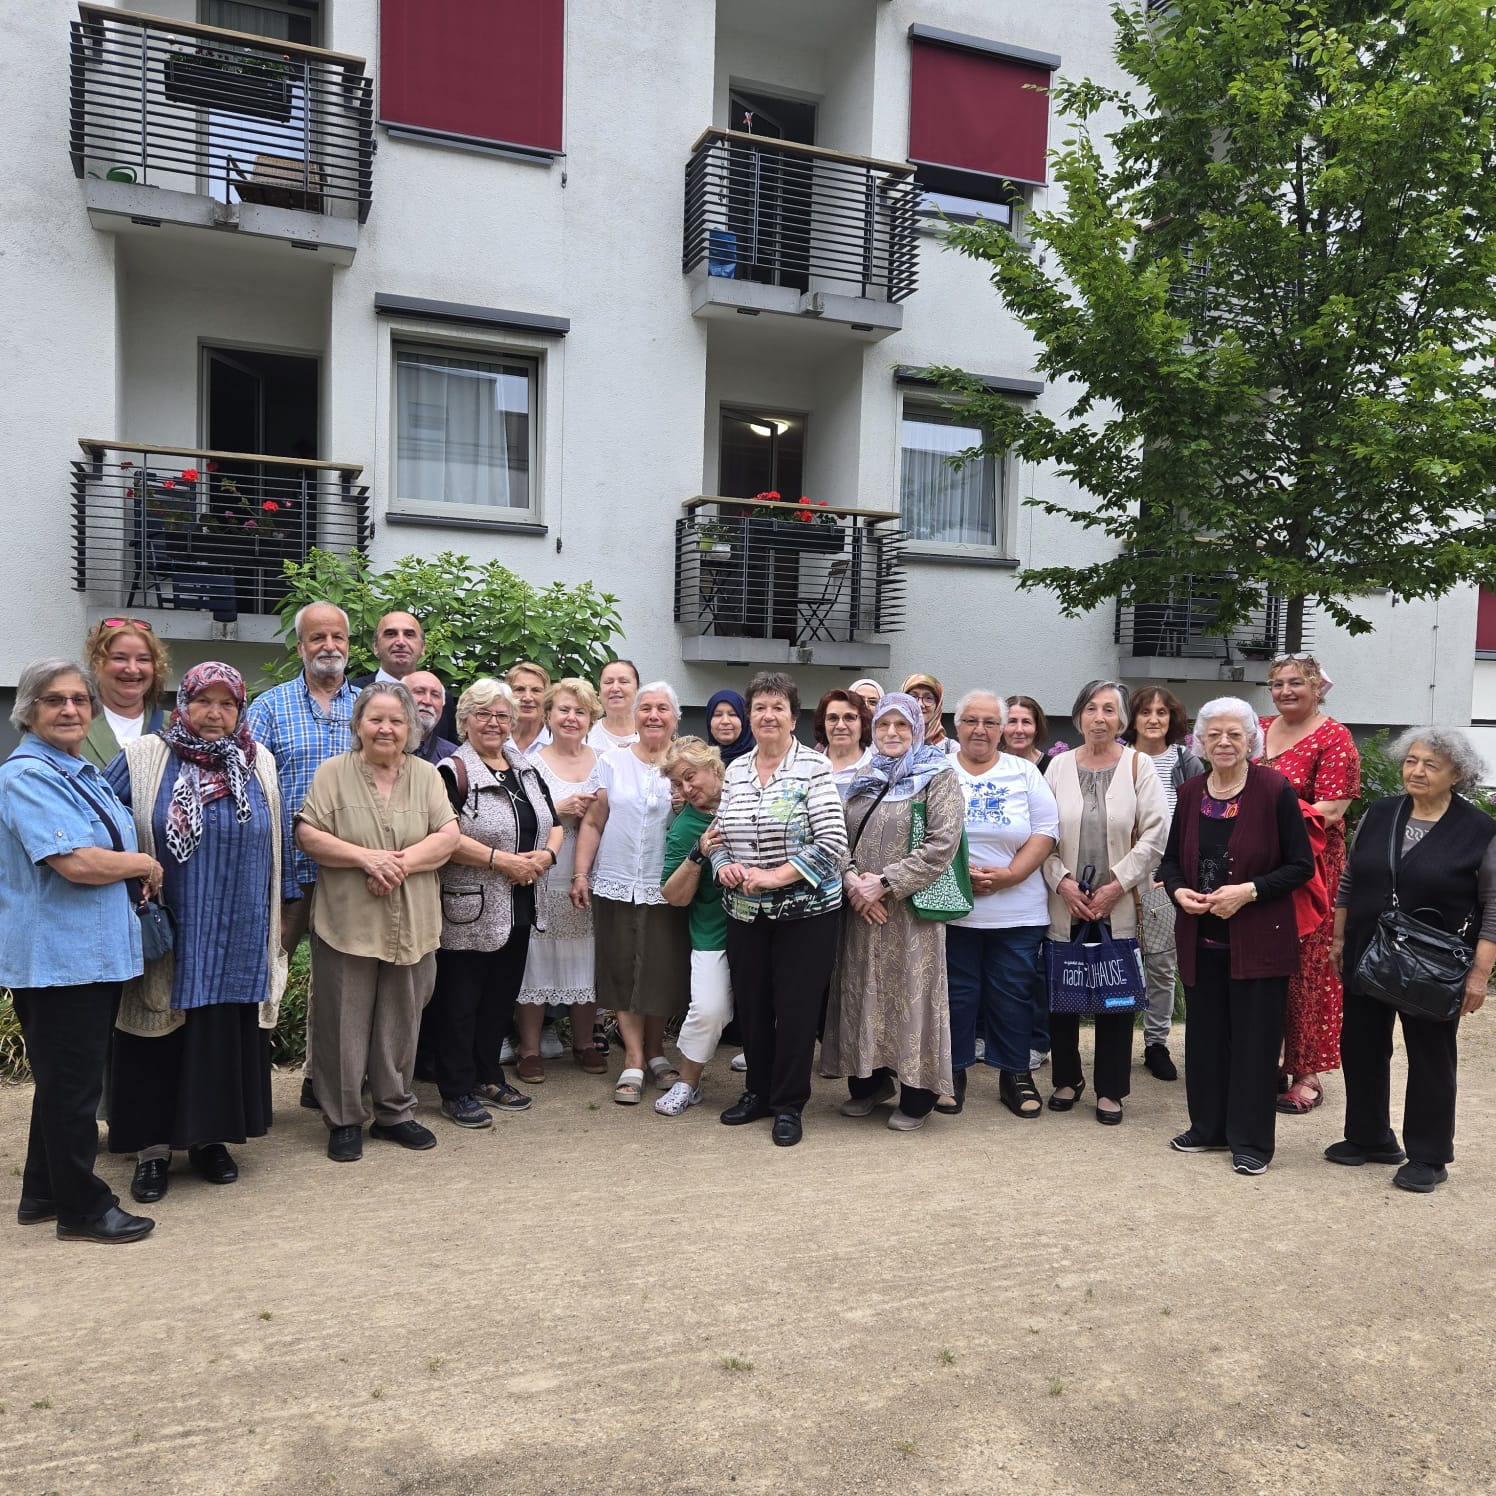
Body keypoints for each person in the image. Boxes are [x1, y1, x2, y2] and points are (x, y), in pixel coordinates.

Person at [103, 663, 295, 1201]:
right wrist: (131, 872)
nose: (215, 714)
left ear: (240, 710)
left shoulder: (260, 763)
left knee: (220, 1035)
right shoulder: (144, 757)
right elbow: (103, 817)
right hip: (173, 925)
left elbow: (275, 841)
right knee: (156, 1030)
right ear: (182, 703)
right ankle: (152, 1152)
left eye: (227, 704)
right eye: (203, 702)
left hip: (236, 929)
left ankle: (211, 1140)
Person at [0, 658, 160, 1243]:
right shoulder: (28, 777)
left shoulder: (74, 769)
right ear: (28, 711)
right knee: (73, 1090)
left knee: (64, 1081)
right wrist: (143, 864)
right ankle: (83, 1209)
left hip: (87, 955)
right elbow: (75, 862)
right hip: (59, 960)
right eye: (53, 700)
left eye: (78, 700)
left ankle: (42, 1193)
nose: (69, 709)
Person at [293, 682, 459, 1162]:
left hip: (413, 920)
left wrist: (398, 865)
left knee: (401, 1020)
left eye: (396, 721)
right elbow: (308, 833)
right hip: (348, 921)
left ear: (411, 729)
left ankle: (394, 1113)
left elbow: (447, 835)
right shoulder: (332, 773)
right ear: (358, 725)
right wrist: (368, 859)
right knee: (342, 1021)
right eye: (376, 719)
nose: (386, 728)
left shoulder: (427, 775)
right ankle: (344, 1117)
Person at [1328, 728, 1496, 1193]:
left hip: (1433, 965)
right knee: (1361, 1045)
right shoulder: (1381, 813)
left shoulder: (1480, 830)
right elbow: (1349, 879)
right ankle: (1369, 1137)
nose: (1416, 771)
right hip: (1366, 948)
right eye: (1411, 761)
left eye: (1430, 765)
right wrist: (1338, 939)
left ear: (1457, 775)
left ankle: (1429, 1155)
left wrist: (1479, 975)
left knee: (1431, 1057)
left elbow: (1494, 907)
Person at [1159, 699, 1314, 1175]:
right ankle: (1208, 1127)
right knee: (1205, 1039)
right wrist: (1180, 890)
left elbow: (1300, 865)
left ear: (1251, 740)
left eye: (1234, 734)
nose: (1224, 742)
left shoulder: (1273, 790)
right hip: (1201, 938)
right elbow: (1170, 862)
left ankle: (1251, 1142)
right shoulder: (1188, 793)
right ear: (1200, 741)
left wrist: (1247, 892)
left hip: (1258, 941)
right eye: (1214, 734)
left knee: (1254, 1044)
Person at [709, 672, 847, 1147]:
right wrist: (723, 865)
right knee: (752, 1006)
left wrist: (776, 875)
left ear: (793, 715)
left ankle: (789, 1104)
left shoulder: (814, 768)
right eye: (760, 708)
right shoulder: (736, 769)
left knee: (794, 1009)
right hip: (745, 912)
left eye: (778, 707)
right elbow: (719, 836)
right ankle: (758, 1093)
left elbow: (832, 843)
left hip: (805, 915)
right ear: (751, 716)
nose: (768, 715)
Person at [425, 680, 562, 1128]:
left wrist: (548, 854)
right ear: (465, 721)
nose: (494, 723)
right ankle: (456, 1088)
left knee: (499, 1001)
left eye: (502, 715)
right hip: (469, 907)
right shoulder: (452, 771)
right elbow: (442, 837)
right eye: (483, 714)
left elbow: (554, 822)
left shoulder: (524, 768)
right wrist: (500, 860)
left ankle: (488, 1076)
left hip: (520, 904)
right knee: (460, 1003)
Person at [824, 693, 962, 1130]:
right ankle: (870, 1083)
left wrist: (883, 885)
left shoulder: (938, 776)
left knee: (910, 996)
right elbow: (833, 836)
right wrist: (853, 884)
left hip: (910, 914)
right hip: (861, 911)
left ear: (918, 729)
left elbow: (942, 844)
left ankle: (918, 1094)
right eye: (884, 725)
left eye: (902, 726)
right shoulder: (862, 777)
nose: (892, 734)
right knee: (861, 989)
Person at [245, 602, 359, 1111]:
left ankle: (321, 1079)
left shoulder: (370, 706)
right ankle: (250, 1081)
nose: (328, 646)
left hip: (350, 876)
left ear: (349, 645)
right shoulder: (269, 708)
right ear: (300, 647)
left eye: (337, 637)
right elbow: (247, 787)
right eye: (317, 638)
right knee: (267, 976)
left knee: (337, 988)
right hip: (283, 874)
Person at [1042, 680, 1169, 1124]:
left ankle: (1110, 1089)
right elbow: (1042, 835)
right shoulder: (1056, 767)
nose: (1100, 718)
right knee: (1063, 991)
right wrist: (1062, 883)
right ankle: (1067, 1077)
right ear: (1078, 716)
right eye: (1092, 709)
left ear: (1122, 719)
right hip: (1067, 901)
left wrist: (1118, 883)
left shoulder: (1139, 766)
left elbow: (1155, 833)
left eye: (1110, 710)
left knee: (1115, 995)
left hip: (1119, 901)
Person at [572, 682, 690, 1103]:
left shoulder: (686, 763)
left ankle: (658, 1052)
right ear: (635, 716)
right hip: (616, 880)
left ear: (675, 717)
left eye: (663, 708)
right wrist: (581, 874)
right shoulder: (612, 761)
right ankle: (634, 1058)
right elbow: (593, 821)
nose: (653, 715)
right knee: (621, 970)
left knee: (662, 969)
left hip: (667, 884)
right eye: (646, 708)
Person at [944, 690, 1059, 1119]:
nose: (981, 730)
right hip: (954, 908)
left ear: (1002, 728)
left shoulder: (1024, 772)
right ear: (958, 727)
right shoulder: (939, 771)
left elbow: (1046, 831)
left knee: (1012, 994)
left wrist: (1010, 875)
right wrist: (956, 873)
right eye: (972, 721)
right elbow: (922, 829)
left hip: (1018, 908)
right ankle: (952, 1073)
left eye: (990, 722)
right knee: (958, 994)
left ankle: (1015, 1074)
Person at [1258, 653, 1360, 1115]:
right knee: (1265, 963)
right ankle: (1268, 1057)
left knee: (1309, 969)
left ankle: (1308, 1071)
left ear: (1318, 686)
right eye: (1277, 683)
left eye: (1296, 682)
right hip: (1259, 867)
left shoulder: (1334, 736)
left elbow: (1332, 810)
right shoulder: (1257, 728)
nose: (1285, 691)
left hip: (1313, 870)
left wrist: (1267, 821)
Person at [516, 679, 609, 1076]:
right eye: (564, 710)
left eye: (581, 711)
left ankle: (585, 1042)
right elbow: (518, 818)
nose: (572, 718)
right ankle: (530, 1050)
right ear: (549, 716)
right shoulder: (530, 763)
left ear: (591, 719)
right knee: (536, 960)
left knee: (585, 956)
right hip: (543, 876)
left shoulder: (604, 760)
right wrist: (559, 807)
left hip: (588, 873)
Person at [1124, 686, 1204, 1081]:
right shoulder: (1122, 760)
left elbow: (1197, 821)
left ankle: (1156, 1043)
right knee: (1120, 960)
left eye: (1162, 712)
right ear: (1132, 717)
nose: (1154, 719)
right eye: (1145, 711)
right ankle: (1116, 1037)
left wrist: (1171, 874)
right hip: (1122, 875)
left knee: (1160, 964)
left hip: (1165, 877)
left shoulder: (1185, 762)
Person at [656, 737, 734, 1115]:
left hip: (766, 925)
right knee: (708, 1008)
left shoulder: (747, 796)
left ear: (713, 768)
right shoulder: (686, 826)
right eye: (678, 784)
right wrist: (697, 853)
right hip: (713, 932)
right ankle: (687, 1082)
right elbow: (672, 894)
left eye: (690, 777)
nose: (687, 789)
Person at [349, 609, 457, 742]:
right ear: (375, 647)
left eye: (409, 634)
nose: (400, 642)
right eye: (391, 634)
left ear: (423, 647)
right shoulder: (352, 693)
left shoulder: (441, 699)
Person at [80, 618, 169, 769]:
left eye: (143, 659)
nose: (132, 669)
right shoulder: (73, 723)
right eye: (119, 658)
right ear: (97, 663)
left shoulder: (175, 725)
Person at [816, 689, 872, 795]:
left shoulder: (879, 772)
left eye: (849, 718)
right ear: (823, 724)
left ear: (863, 723)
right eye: (833, 718)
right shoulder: (809, 766)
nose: (840, 726)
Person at [589, 658, 641, 752]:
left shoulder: (651, 731)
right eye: (608, 682)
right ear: (599, 691)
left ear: (638, 689)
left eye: (624, 682)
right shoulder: (587, 734)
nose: (615, 688)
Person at [406, 670, 457, 764]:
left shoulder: (453, 758)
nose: (427, 701)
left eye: (435, 695)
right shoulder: (380, 747)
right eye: (419, 692)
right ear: (400, 697)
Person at [507, 662, 552, 758]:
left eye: (536, 690)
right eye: (520, 689)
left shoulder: (557, 741)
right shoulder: (495, 737)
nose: (527, 698)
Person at [705, 688, 755, 766]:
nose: (725, 721)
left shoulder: (759, 760)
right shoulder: (699, 762)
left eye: (732, 714)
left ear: (744, 720)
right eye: (718, 715)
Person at [902, 673, 949, 750]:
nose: (920, 704)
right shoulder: (888, 743)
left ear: (938, 705)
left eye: (928, 698)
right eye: (913, 697)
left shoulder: (952, 749)